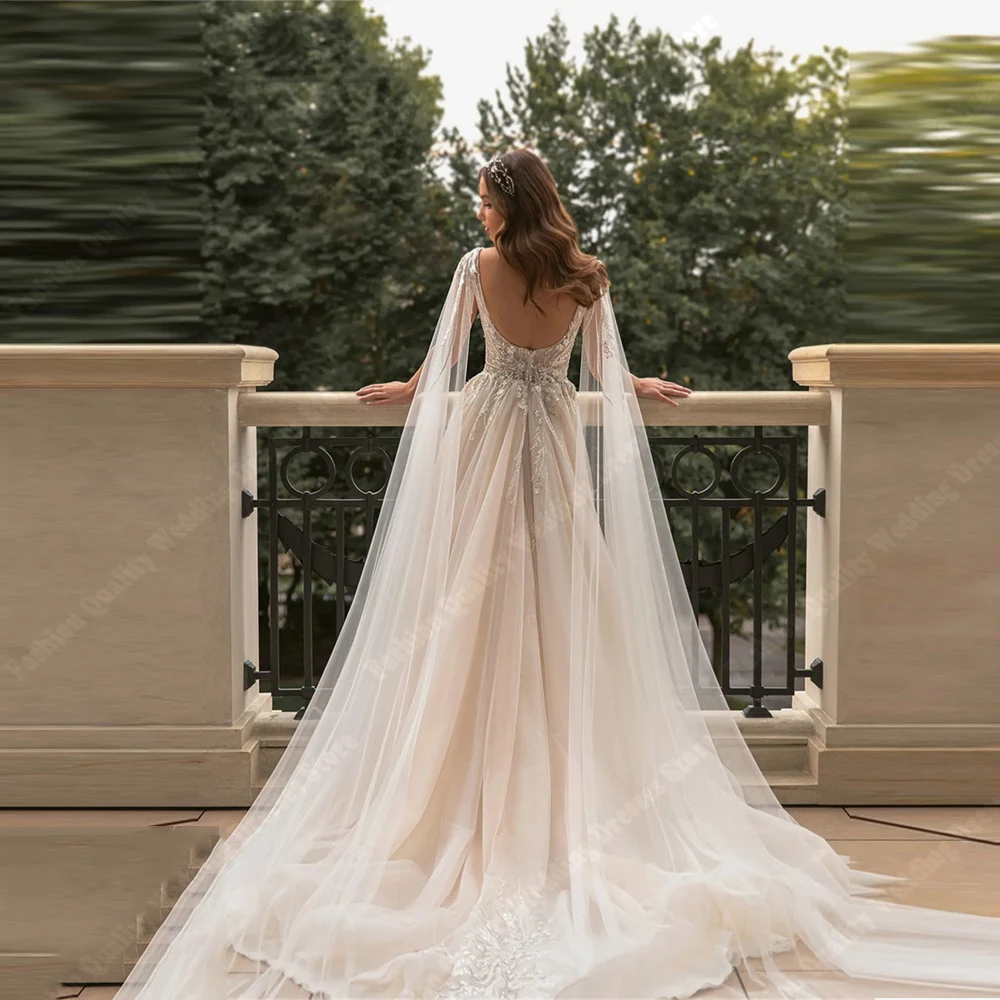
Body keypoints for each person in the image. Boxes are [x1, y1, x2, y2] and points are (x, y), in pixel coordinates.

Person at [117, 150, 1000, 1000]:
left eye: (483, 198)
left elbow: (449, 364)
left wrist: (411, 384)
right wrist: (641, 384)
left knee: (472, 607)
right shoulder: (588, 276)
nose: (476, 211)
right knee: (566, 601)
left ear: (508, 202)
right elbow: (601, 372)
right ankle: (579, 791)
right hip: (551, 448)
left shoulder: (477, 268)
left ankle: (468, 791)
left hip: (492, 447)